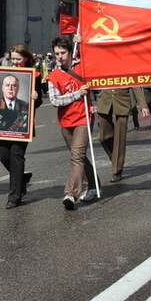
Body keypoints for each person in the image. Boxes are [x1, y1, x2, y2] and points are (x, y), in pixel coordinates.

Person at [0, 44, 40, 208]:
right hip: (3, 127)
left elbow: (37, 103)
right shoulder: (3, 73)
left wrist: (36, 97)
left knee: (16, 155)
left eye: (18, 59)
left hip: (22, 125)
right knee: (3, 155)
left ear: (26, 58)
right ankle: (21, 178)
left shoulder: (34, 75)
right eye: (12, 58)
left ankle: (14, 197)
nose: (14, 62)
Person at [48, 36, 101, 209]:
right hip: (66, 121)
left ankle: (71, 193)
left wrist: (83, 42)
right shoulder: (53, 76)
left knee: (76, 156)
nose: (60, 56)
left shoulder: (82, 66)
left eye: (63, 52)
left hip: (83, 118)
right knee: (79, 156)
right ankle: (94, 184)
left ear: (70, 52)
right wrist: (76, 94)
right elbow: (55, 100)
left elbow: (95, 58)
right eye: (57, 53)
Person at [97, 84, 149, 182]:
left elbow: (136, 86)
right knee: (103, 137)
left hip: (122, 103)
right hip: (104, 102)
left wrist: (143, 106)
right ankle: (116, 159)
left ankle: (117, 170)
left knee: (119, 138)